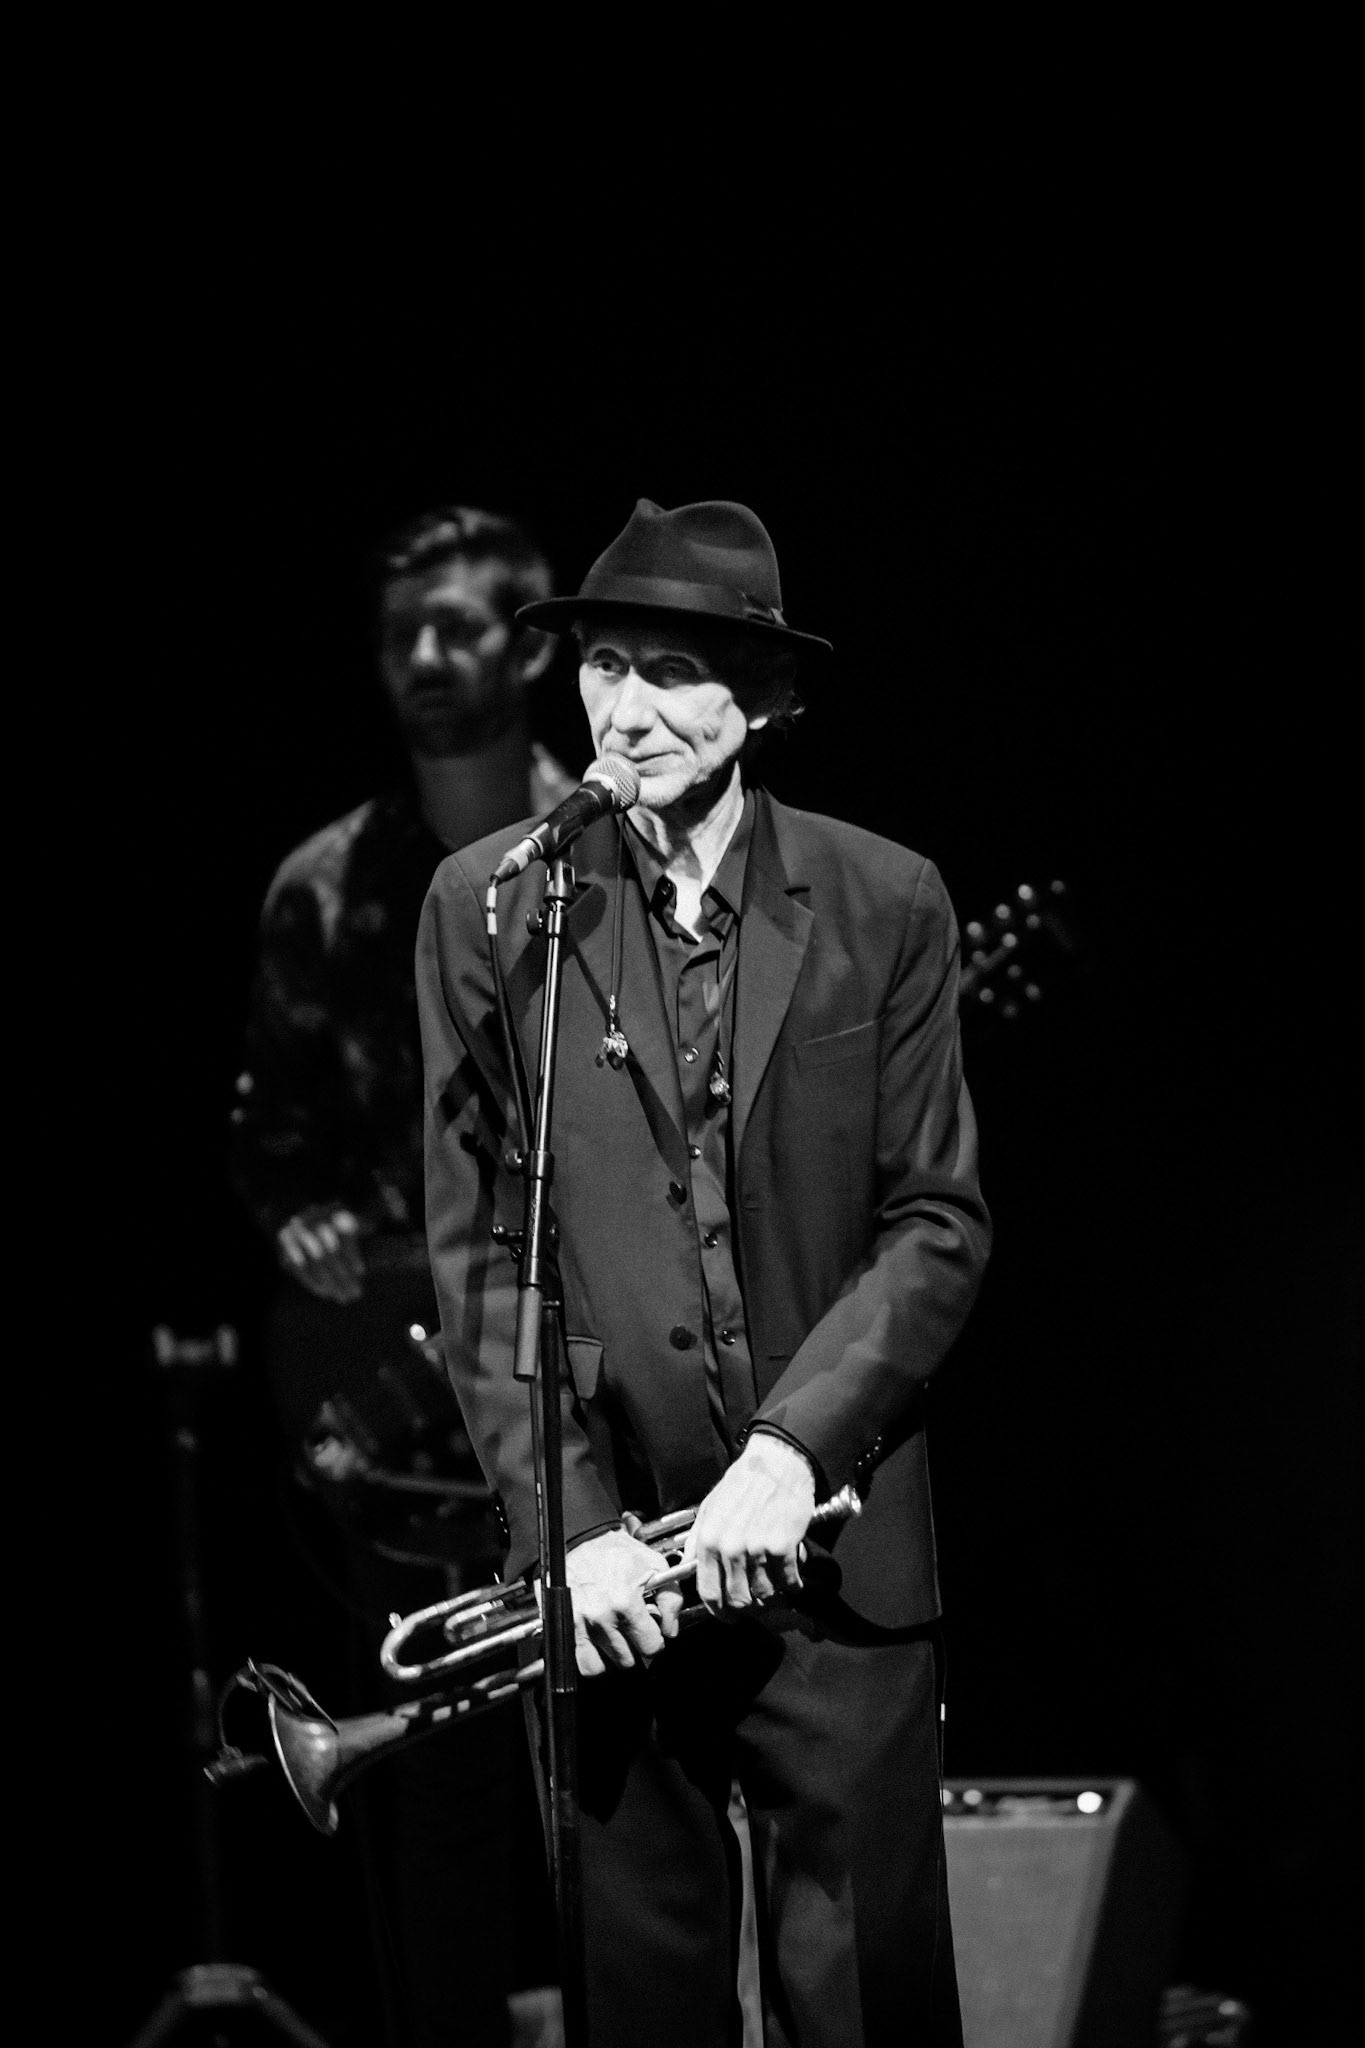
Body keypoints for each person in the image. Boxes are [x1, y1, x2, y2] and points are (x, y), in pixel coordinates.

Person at [415, 497, 992, 2047]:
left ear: (768, 702)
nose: (626, 707)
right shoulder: (491, 908)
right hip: (614, 1590)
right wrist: (572, 1532)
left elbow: (935, 1224)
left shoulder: (886, 903)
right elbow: (477, 1255)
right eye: (605, 663)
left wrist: (793, 1449)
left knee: (865, 2004)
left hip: (829, 1565)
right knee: (640, 2007)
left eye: (673, 669)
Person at [230, 505, 569, 2047]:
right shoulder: (324, 885)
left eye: (457, 627)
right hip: (416, 1403)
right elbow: (273, 1145)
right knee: (436, 1796)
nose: (425, 659)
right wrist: (297, 1221)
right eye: (398, 636)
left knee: (617, 1775)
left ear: (534, 644)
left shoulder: (612, 851)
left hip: (586, 1373)